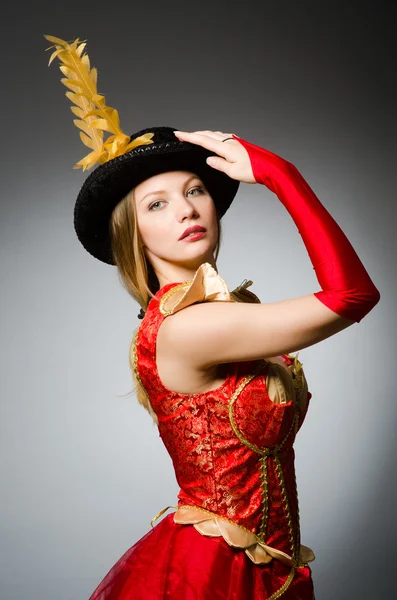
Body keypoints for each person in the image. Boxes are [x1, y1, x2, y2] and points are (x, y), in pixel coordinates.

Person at [45, 36, 380, 600]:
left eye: (195, 190)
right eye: (157, 204)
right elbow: (352, 295)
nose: (186, 209)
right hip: (214, 575)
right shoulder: (188, 329)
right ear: (135, 234)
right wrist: (280, 174)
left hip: (269, 567)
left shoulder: (220, 312)